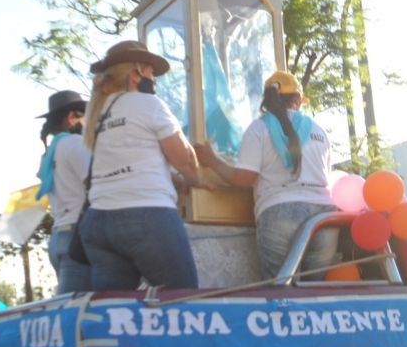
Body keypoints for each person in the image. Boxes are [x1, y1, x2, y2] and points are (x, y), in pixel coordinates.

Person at [78, 40, 208, 290]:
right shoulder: (149, 105)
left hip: (98, 223)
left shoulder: (97, 112)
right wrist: (198, 182)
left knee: (116, 314)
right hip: (148, 216)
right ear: (135, 75)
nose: (155, 80)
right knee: (182, 300)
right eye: (150, 71)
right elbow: (186, 162)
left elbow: (131, 165)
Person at [194, 71, 338, 280]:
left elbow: (244, 179)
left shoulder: (259, 128)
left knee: (282, 293)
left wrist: (212, 161)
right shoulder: (319, 131)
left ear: (268, 99)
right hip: (324, 218)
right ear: (297, 100)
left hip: (280, 214)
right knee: (315, 294)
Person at [35, 90, 92, 294]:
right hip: (78, 237)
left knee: (72, 307)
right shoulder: (74, 144)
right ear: (71, 118)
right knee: (76, 313)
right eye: (85, 117)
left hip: (59, 236)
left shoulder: (49, 153)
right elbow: (96, 183)